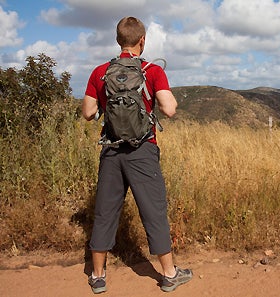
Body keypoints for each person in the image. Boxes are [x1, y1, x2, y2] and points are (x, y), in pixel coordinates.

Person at [82, 16, 192, 294]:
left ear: (118, 40)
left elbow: (88, 113)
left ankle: (97, 276)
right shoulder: (152, 71)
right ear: (142, 40)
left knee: (105, 212)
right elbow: (168, 109)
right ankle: (169, 274)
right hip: (143, 150)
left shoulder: (100, 72)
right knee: (153, 211)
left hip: (111, 150)